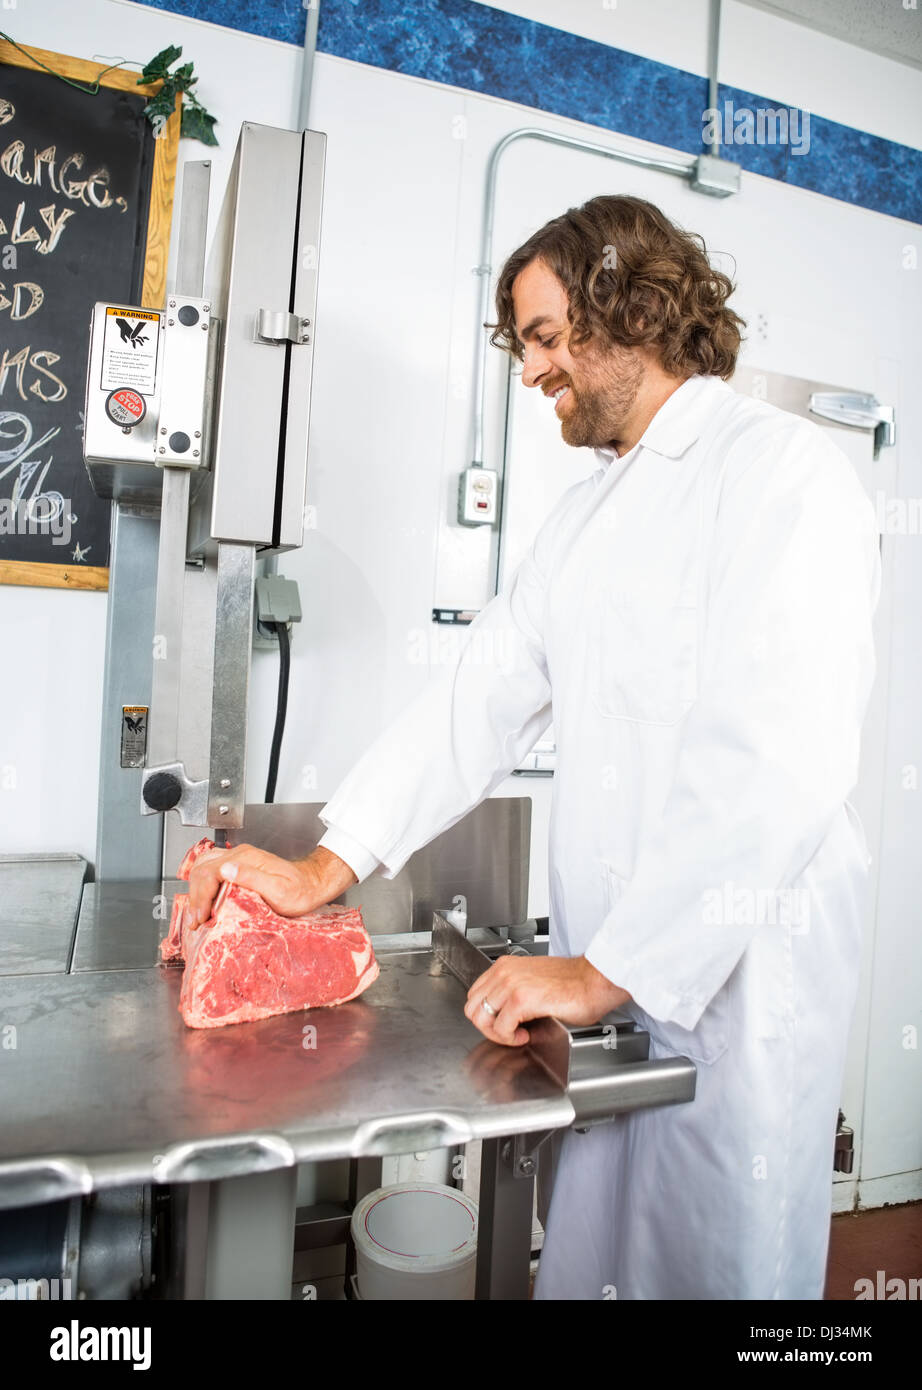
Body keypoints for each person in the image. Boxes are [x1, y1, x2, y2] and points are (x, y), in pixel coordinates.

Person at [188, 195, 880, 1299]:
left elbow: (777, 755)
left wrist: (611, 969)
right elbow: (478, 703)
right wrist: (328, 864)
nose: (531, 373)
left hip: (743, 986)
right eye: (523, 346)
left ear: (637, 311)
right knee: (598, 1258)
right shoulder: (586, 524)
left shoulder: (781, 476)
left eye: (549, 338)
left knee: (717, 1268)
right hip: (619, 981)